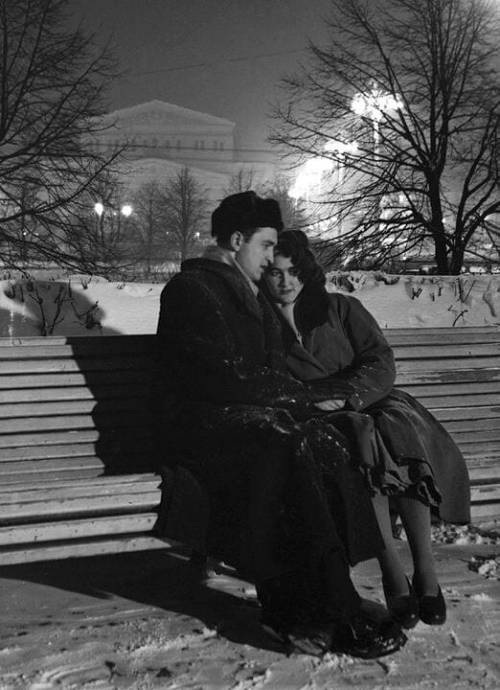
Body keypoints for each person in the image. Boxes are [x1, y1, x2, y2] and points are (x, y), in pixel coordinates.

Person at [154, 191, 406, 658]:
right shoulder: (192, 290)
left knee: (320, 442)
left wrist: (313, 406)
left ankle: (320, 599)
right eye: (266, 245)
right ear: (236, 240)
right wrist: (305, 398)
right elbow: (219, 376)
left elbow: (268, 374)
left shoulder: (248, 295)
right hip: (200, 430)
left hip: (247, 425)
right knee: (285, 448)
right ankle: (324, 607)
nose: (272, 258)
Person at [264, 229, 471, 630]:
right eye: (275, 273)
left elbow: (380, 360)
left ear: (306, 273)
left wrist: (350, 396)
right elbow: (267, 383)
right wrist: (312, 402)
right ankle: (394, 573)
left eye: (293, 272)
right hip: (320, 417)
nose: (286, 282)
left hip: (370, 400)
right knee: (364, 446)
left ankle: (426, 574)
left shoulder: (340, 308)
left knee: (399, 439)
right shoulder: (262, 326)